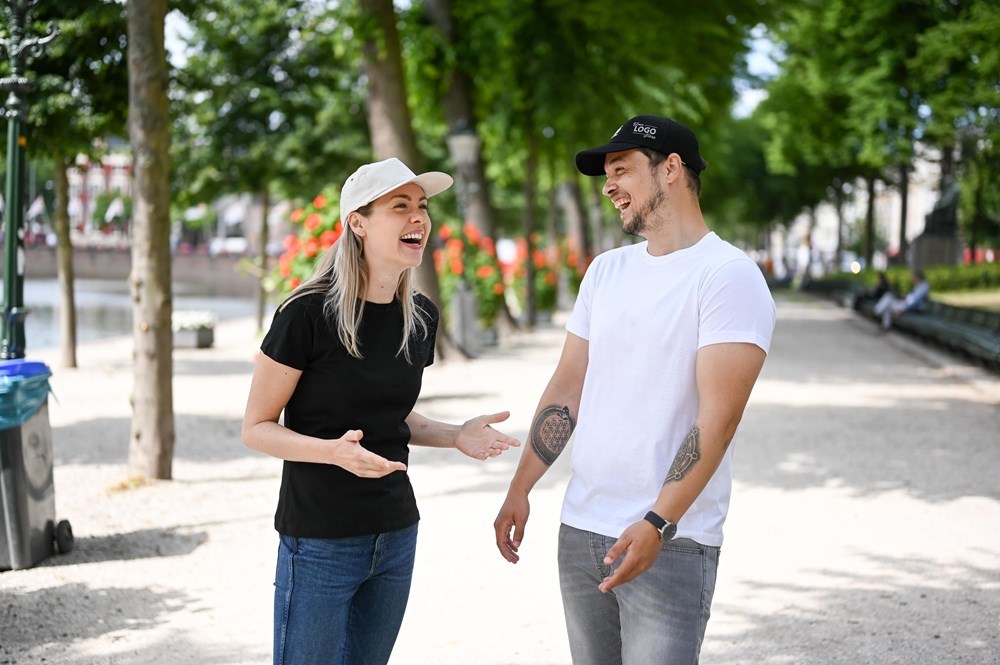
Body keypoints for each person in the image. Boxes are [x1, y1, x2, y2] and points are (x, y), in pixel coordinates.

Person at [493, 115, 775, 665]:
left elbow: (718, 420)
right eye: (607, 174)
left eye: (621, 170)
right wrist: (520, 486)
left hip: (670, 540)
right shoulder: (605, 272)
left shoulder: (727, 276)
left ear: (671, 169)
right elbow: (567, 388)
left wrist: (657, 523)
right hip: (581, 530)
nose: (608, 186)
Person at [243, 157, 521, 665]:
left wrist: (456, 434)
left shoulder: (420, 317)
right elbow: (257, 429)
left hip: (396, 533)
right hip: (320, 539)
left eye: (422, 206)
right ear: (358, 222)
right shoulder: (305, 314)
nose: (418, 217)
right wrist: (333, 453)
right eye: (400, 206)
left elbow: (391, 414)